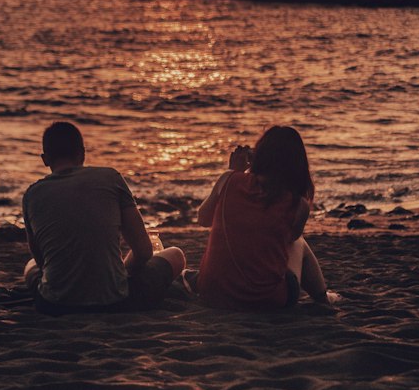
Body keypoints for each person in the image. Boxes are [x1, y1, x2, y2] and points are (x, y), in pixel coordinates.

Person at [22, 121, 185, 316]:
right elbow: (143, 251)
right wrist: (122, 273)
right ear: (82, 152)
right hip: (116, 302)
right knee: (175, 254)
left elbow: (42, 262)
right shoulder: (110, 178)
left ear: (45, 159)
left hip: (55, 305)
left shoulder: (32, 194)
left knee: (30, 265)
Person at [189, 125, 337, 311]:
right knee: (298, 243)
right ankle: (322, 297)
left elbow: (203, 219)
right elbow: (288, 240)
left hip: (213, 293)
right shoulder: (298, 205)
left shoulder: (229, 180)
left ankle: (323, 296)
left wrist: (234, 171)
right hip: (268, 300)